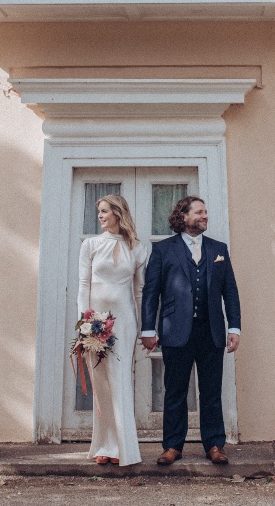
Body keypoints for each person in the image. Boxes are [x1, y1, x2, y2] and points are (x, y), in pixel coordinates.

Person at [140, 196, 241, 465]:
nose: (205, 216)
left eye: (206, 212)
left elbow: (230, 291)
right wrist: (148, 329)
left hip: (212, 331)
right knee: (175, 391)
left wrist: (234, 327)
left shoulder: (218, 249)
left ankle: (215, 445)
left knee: (211, 391)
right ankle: (172, 446)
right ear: (183, 217)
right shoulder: (163, 250)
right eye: (199, 212)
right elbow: (151, 292)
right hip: (176, 330)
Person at [77, 194, 149, 466]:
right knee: (101, 384)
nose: (100, 216)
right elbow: (83, 285)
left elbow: (139, 291)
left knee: (119, 380)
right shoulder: (90, 245)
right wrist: (84, 322)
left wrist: (143, 327)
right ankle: (104, 445)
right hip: (95, 320)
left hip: (124, 321)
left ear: (118, 213)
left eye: (105, 211)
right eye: (99, 211)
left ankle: (123, 447)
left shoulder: (138, 248)